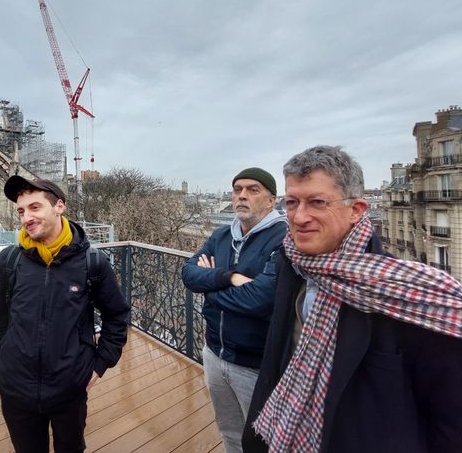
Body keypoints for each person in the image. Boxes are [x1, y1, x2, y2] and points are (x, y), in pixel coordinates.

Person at [242, 145, 462, 453]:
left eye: (317, 202)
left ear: (357, 209)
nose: (299, 216)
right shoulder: (292, 263)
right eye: (291, 202)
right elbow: (278, 361)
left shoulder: (413, 294)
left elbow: (451, 425)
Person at [0, 175, 129, 453]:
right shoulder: (9, 260)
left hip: (69, 388)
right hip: (15, 388)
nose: (26, 218)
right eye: (21, 211)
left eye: (35, 207)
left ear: (59, 206)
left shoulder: (92, 262)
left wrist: (99, 366)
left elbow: (117, 316)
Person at [182, 167, 287, 453]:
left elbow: (259, 299)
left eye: (253, 190)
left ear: (271, 200)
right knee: (229, 432)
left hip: (256, 364)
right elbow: (188, 273)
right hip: (215, 352)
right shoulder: (221, 235)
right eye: (237, 189)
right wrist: (228, 278)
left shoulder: (284, 238)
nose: (242, 195)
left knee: (263, 441)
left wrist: (209, 286)